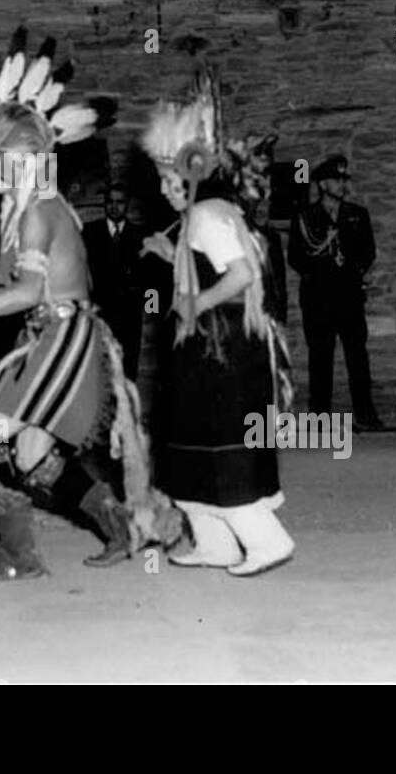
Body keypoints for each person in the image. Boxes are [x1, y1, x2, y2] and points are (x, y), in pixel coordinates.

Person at [0, 30, 179, 580]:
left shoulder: (38, 210)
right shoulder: (22, 212)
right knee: (28, 455)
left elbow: (32, 294)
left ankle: (19, 556)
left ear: (30, 155)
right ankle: (127, 525)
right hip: (48, 334)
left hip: (61, 335)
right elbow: (13, 290)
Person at [140, 78, 295, 575]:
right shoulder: (211, 215)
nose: (165, 190)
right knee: (190, 441)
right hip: (211, 349)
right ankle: (215, 544)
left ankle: (266, 541)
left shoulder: (206, 214)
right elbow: (213, 264)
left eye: (169, 181)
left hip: (222, 349)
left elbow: (242, 275)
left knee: (222, 443)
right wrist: (172, 257)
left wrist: (195, 304)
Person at [287, 155, 383, 430]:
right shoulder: (305, 217)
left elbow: (368, 252)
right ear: (322, 183)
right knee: (320, 357)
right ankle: (319, 418)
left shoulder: (356, 214)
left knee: (357, 357)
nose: (342, 185)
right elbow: (296, 257)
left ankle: (366, 415)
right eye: (336, 180)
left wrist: (350, 272)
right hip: (318, 297)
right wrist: (323, 270)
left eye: (344, 179)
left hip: (350, 295)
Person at [82, 183, 147, 379]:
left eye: (119, 202)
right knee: (98, 367)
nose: (114, 207)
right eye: (110, 202)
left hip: (130, 315)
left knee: (127, 369)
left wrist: (151, 310)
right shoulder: (89, 232)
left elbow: (151, 280)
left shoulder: (141, 235)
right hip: (99, 311)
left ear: (127, 205)